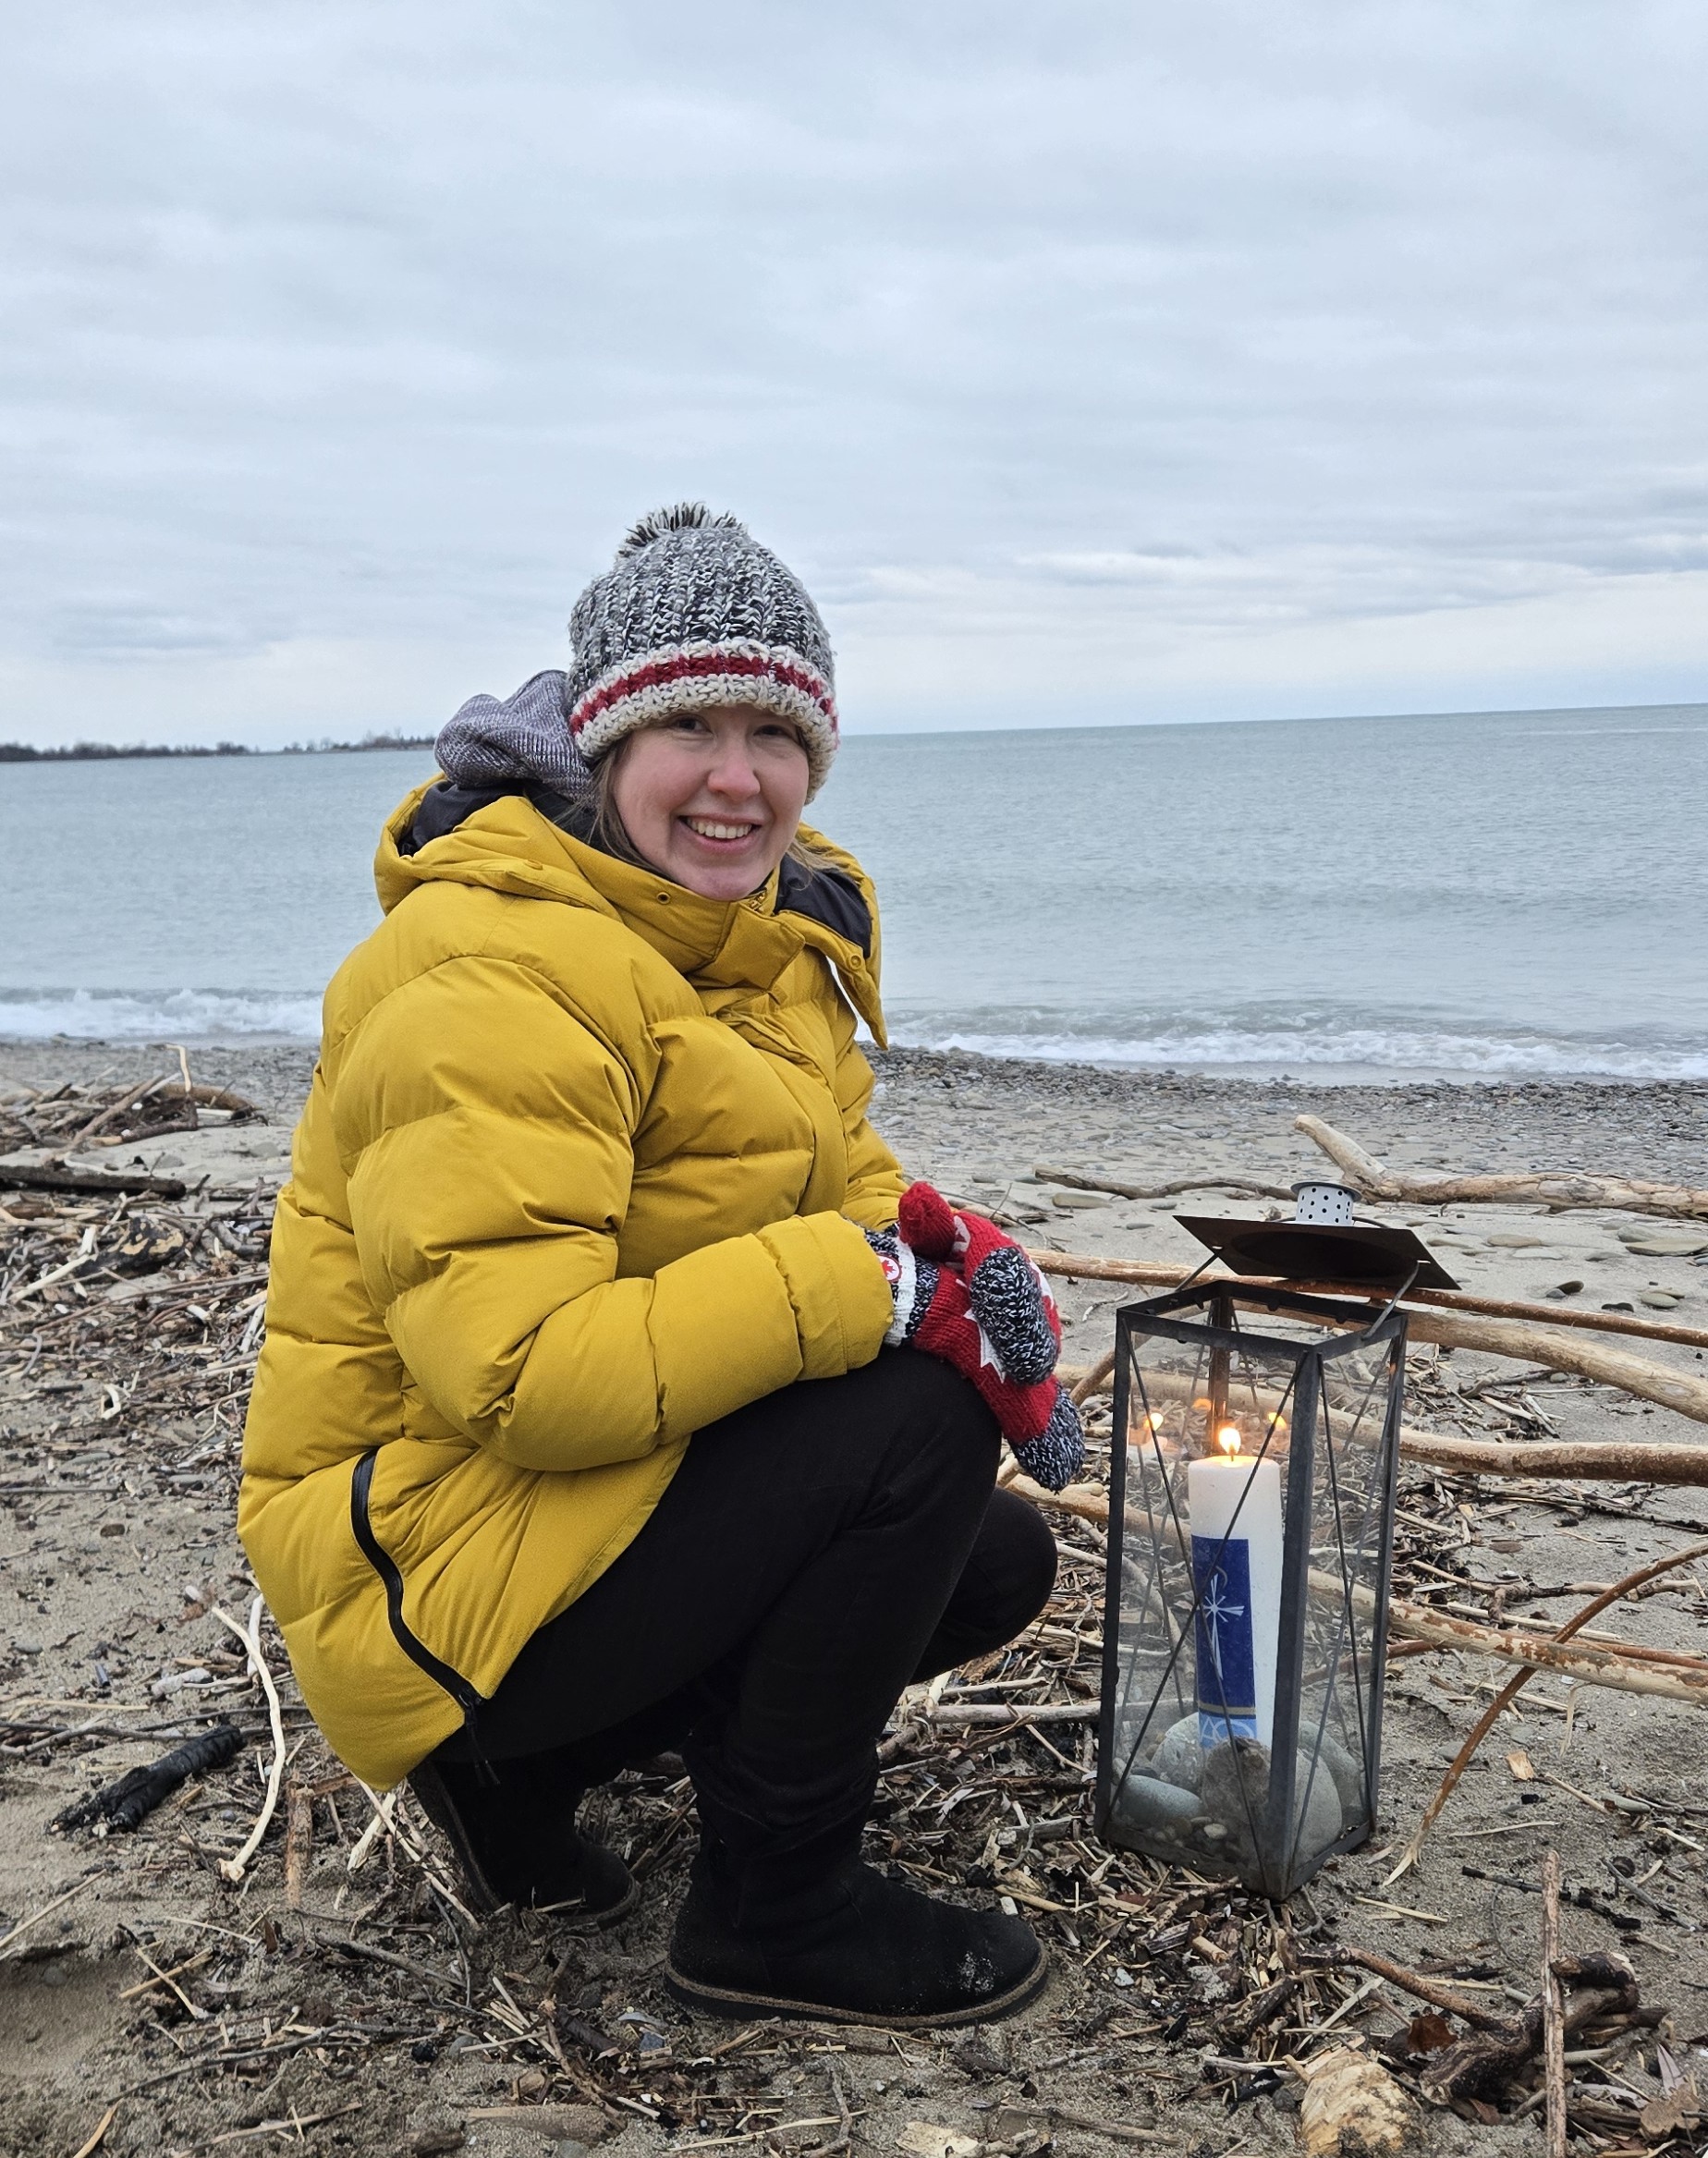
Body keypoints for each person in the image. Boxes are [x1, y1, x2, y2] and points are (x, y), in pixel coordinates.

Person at [238, 504, 1083, 2030]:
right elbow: (525, 1375)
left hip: (525, 1535)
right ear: (602, 742)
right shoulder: (492, 967)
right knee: (913, 1427)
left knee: (990, 1560)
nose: (735, 775)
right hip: (419, 1571)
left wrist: (952, 1252)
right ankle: (777, 1909)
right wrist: (877, 1292)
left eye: (776, 732)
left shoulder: (744, 933)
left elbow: (833, 1172)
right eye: (690, 724)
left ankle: (522, 1785)